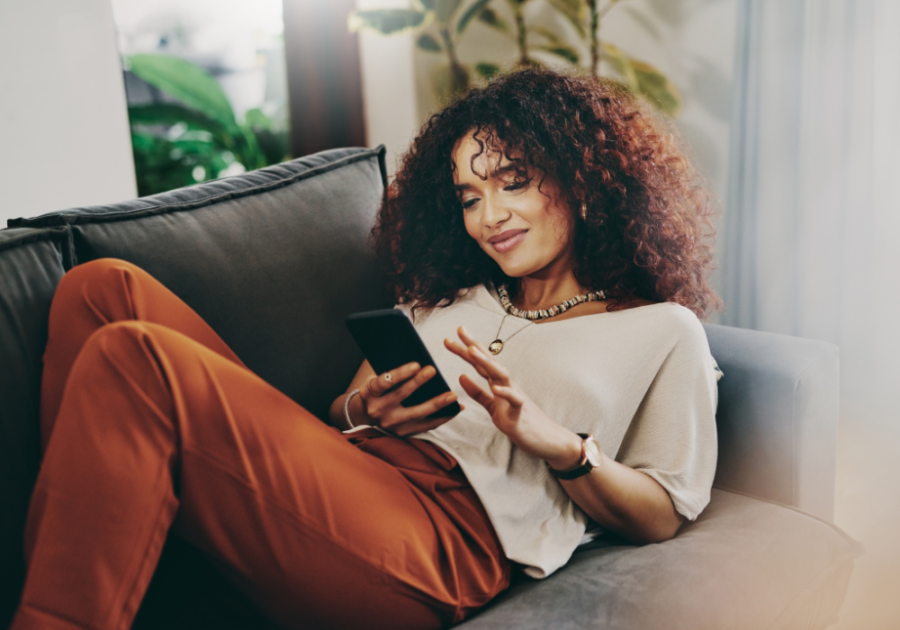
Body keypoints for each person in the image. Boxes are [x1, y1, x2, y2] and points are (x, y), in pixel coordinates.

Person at [12, 69, 720, 630]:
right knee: (98, 287)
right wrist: (364, 409)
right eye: (469, 196)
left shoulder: (660, 329)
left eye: (513, 182)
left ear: (583, 183)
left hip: (440, 539)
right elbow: (341, 415)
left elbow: (663, 511)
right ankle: (107, 540)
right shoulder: (455, 294)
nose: (490, 216)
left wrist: (557, 443)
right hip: (355, 477)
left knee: (134, 356)